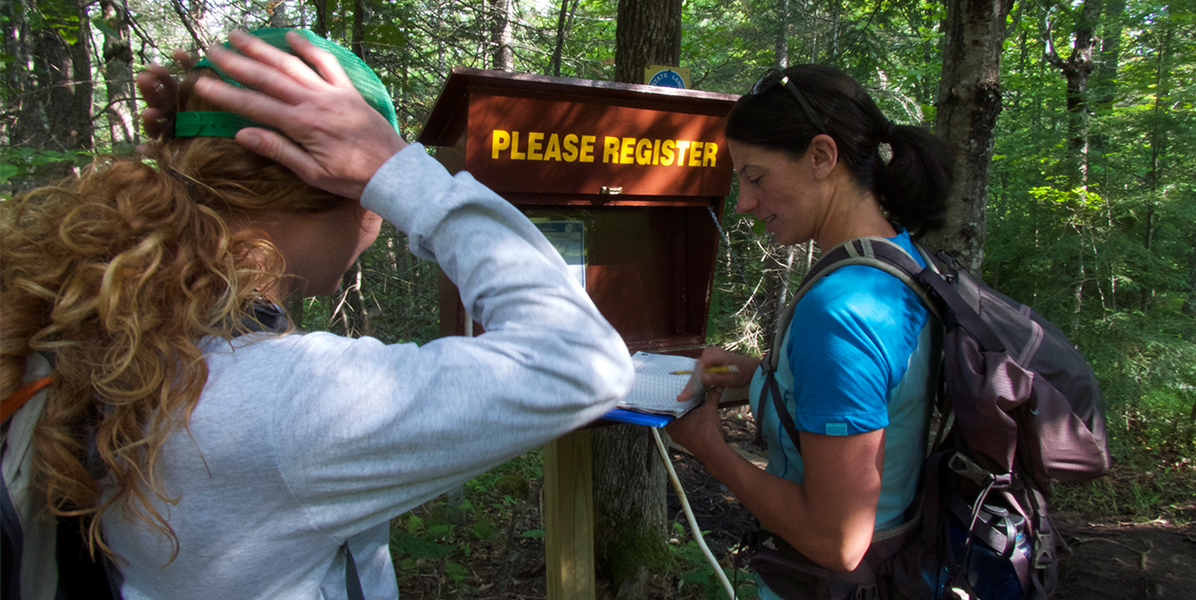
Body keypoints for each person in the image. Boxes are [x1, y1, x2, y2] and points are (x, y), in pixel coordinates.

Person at [0, 29, 633, 599]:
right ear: (344, 188)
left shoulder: (101, 324)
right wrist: (400, 171)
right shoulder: (285, 403)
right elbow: (582, 363)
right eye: (372, 190)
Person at [664, 65, 952, 599]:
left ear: (822, 157)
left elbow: (837, 541)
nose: (745, 202)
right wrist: (757, 377)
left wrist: (711, 451)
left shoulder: (840, 311)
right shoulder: (900, 265)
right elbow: (880, 401)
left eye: (755, 176)